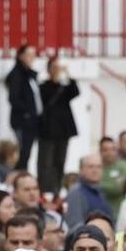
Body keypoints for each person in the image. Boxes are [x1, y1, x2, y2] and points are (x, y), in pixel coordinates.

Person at [37, 57, 80, 196]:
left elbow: (75, 91)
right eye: (54, 68)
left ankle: (56, 187)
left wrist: (68, 74)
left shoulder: (64, 87)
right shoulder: (43, 87)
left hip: (63, 129)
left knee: (60, 160)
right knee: (46, 161)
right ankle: (45, 188)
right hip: (48, 128)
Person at [5, 45, 43, 174]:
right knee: (23, 152)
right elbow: (13, 98)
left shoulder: (30, 75)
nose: (31, 58)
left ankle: (24, 174)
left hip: (33, 121)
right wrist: (27, 113)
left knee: (27, 152)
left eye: (33, 55)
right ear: (20, 56)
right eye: (28, 55)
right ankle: (20, 177)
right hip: (23, 121)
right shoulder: (16, 75)